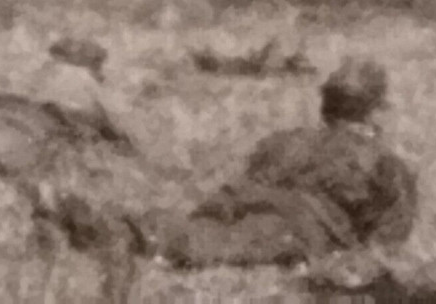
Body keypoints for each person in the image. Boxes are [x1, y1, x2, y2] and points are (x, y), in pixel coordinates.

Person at [151, 58, 417, 269]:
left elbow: (245, 183)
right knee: (245, 242)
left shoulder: (283, 140)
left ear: (325, 105)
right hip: (295, 227)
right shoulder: (384, 163)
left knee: (192, 235)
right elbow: (389, 239)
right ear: (375, 110)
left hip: (231, 206)